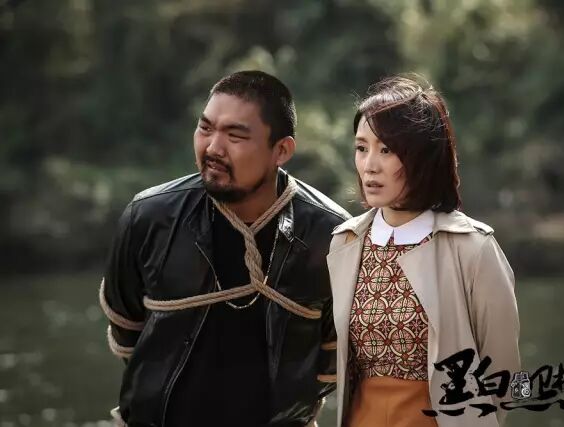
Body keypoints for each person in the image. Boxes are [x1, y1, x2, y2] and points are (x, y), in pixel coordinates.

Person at [99, 70, 350, 427]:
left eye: (235, 135)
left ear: (281, 150)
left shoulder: (330, 235)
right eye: (205, 128)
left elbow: (334, 355)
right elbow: (126, 329)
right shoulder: (149, 217)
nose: (213, 148)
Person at [327, 76, 520, 427]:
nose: (370, 165)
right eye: (361, 148)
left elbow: (504, 374)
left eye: (387, 150)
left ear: (423, 157)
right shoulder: (346, 242)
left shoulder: (473, 248)